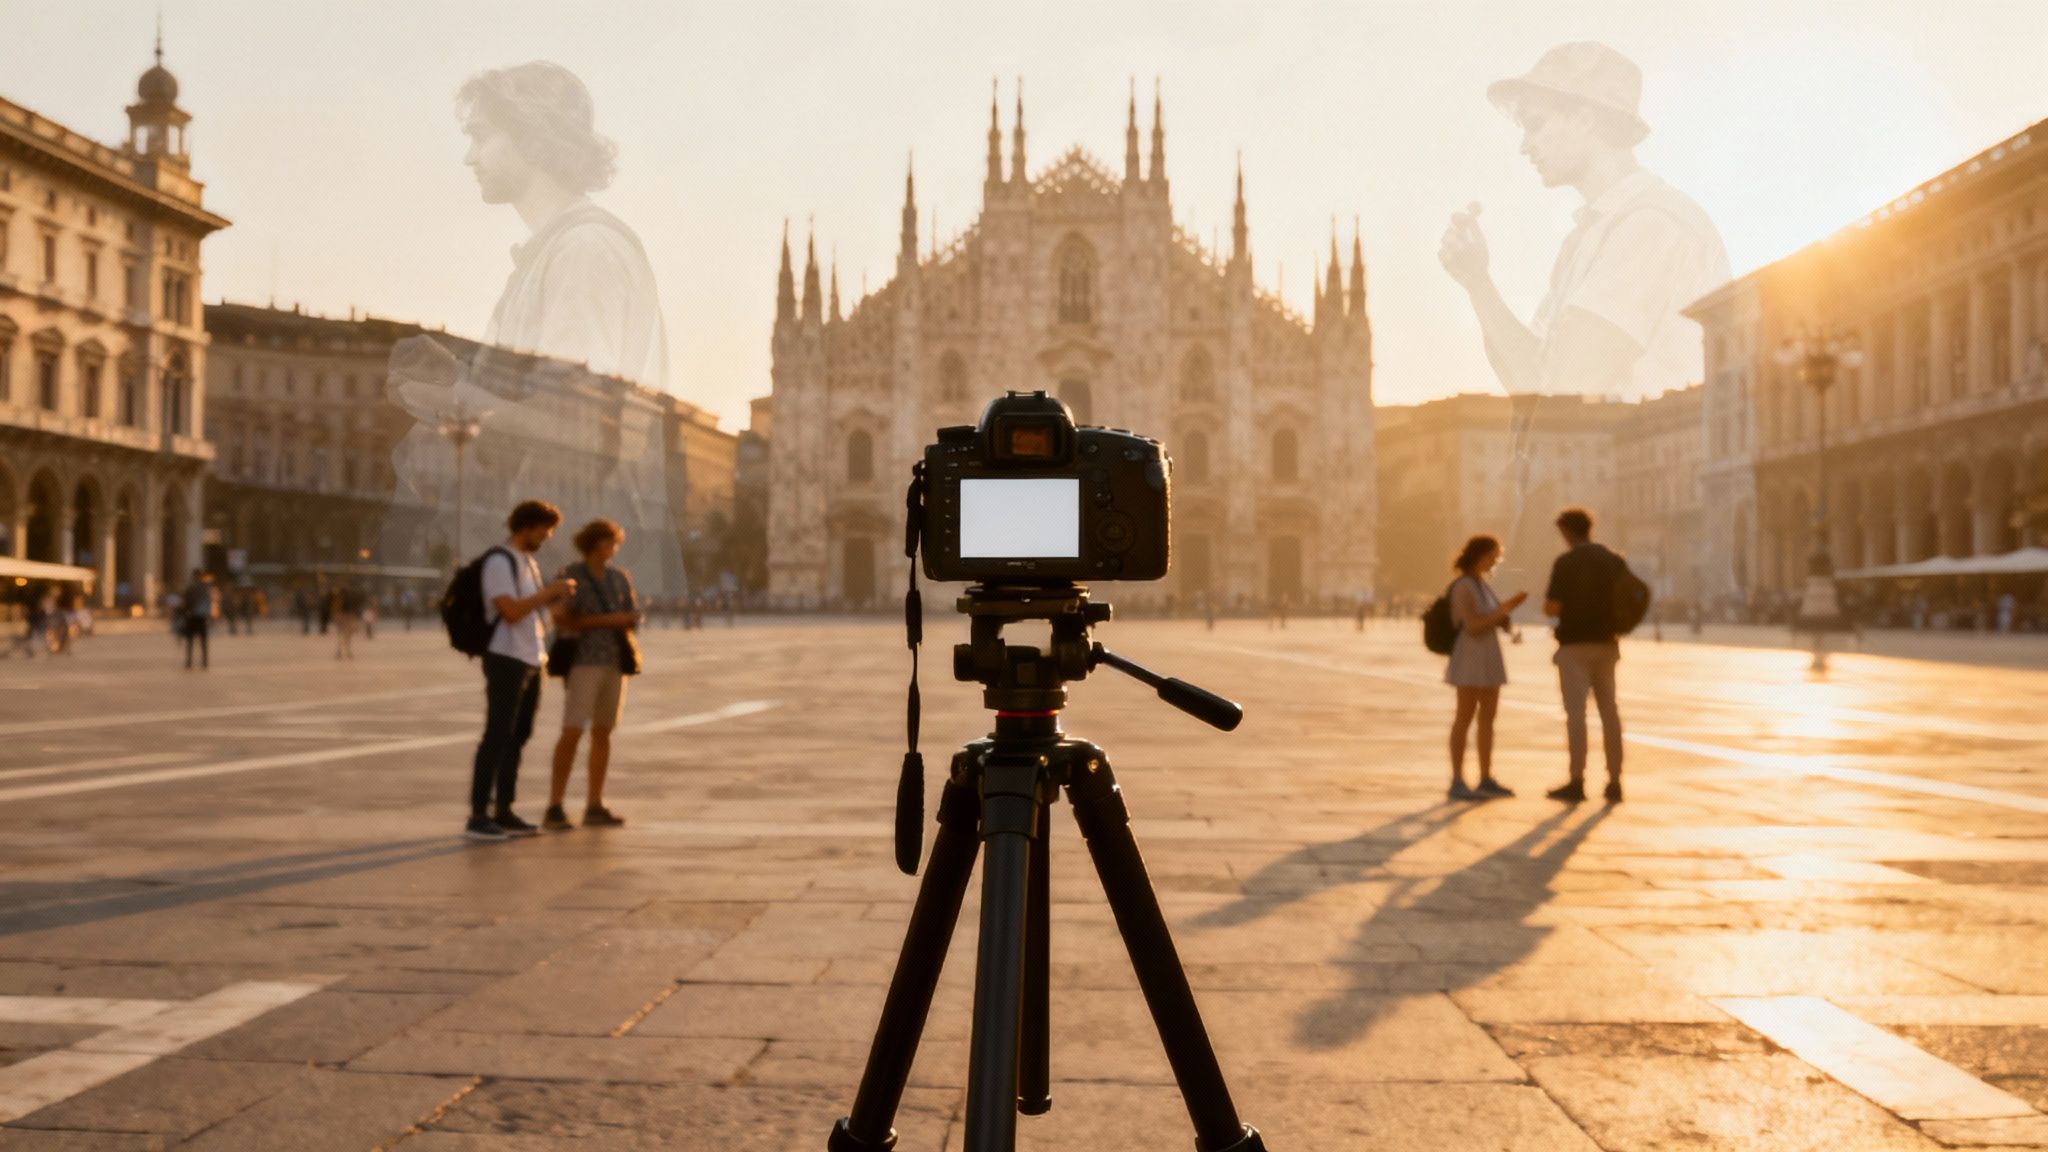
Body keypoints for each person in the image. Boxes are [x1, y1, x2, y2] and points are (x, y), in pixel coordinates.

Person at [466, 500, 578, 842]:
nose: (547, 537)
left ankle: (504, 809)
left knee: (518, 737)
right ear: (526, 526)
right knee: (497, 735)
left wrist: (557, 601)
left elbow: (533, 612)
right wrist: (549, 593)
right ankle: (478, 814)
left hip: (531, 657)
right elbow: (511, 611)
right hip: (505, 656)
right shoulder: (499, 562)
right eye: (544, 530)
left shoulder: (527, 562)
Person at [544, 518, 641, 831]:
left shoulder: (619, 578)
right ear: (595, 543)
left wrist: (615, 620)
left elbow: (631, 617)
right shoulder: (571, 576)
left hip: (614, 663)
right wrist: (610, 620)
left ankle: (594, 804)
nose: (614, 548)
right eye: (610, 542)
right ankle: (555, 805)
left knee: (603, 733)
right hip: (584, 662)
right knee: (572, 731)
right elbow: (563, 619)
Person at [1541, 508, 1624, 804]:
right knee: (1610, 712)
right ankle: (1615, 781)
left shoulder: (1566, 562)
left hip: (1574, 645)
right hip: (1607, 643)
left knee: (1576, 714)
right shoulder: (1614, 560)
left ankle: (1577, 779)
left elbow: (1552, 607)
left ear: (1566, 530)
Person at [1444, 536, 1528, 801]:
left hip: (1489, 657)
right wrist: (1506, 608)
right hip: (1470, 657)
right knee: (1464, 717)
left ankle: (1485, 777)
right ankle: (1457, 779)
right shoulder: (1464, 586)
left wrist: (1505, 618)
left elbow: (1492, 619)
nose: (1495, 561)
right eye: (1493, 556)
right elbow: (1472, 625)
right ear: (1480, 556)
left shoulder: (1483, 584)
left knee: (1488, 720)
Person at [180, 569, 218, 671]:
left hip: (192, 617)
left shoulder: (190, 588)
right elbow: (210, 602)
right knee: (203, 640)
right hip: (202, 617)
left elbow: (185, 602)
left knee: (190, 641)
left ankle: (189, 661)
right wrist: (211, 616)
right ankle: (204, 661)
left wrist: (185, 614)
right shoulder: (206, 588)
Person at [335, 584, 362, 661]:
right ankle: (347, 652)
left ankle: (340, 651)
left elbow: (337, 612)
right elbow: (351, 612)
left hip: (342, 620)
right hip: (346, 620)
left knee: (341, 636)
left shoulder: (339, 600)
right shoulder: (348, 600)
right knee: (347, 637)